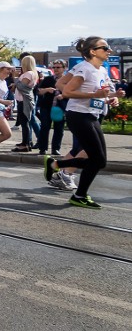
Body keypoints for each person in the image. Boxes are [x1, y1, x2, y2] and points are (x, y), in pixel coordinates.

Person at [43, 37, 122, 209]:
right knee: (96, 159)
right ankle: (78, 193)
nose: (109, 50)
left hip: (91, 115)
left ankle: (58, 167)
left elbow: (101, 94)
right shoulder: (84, 68)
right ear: (93, 51)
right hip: (79, 115)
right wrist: (97, 95)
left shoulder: (101, 70)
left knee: (99, 161)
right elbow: (69, 91)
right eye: (105, 47)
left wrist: (112, 99)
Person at [36, 59, 67, 157]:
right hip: (46, 106)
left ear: (64, 68)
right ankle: (42, 148)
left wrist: (63, 96)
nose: (56, 69)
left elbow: (72, 93)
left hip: (60, 107)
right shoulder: (48, 79)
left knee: (59, 128)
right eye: (54, 67)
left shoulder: (68, 80)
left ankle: (55, 149)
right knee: (45, 127)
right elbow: (39, 91)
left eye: (58, 67)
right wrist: (46, 90)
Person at [11, 55, 40, 152]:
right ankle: (26, 142)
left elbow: (22, 87)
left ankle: (26, 144)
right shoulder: (31, 73)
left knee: (25, 123)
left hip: (24, 100)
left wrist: (15, 78)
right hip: (23, 99)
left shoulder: (29, 74)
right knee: (25, 122)